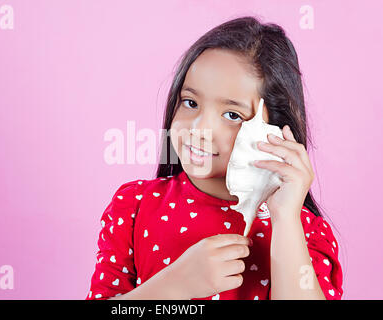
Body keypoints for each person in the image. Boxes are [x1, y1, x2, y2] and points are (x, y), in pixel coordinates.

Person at [86, 16, 343, 300]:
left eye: (232, 115)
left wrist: (285, 219)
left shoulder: (302, 230)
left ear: (276, 129)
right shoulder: (133, 207)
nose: (200, 130)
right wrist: (172, 286)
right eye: (190, 102)